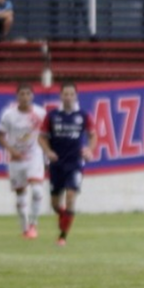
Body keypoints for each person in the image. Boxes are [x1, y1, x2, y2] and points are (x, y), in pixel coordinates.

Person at [38, 82, 96, 246]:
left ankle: (62, 236)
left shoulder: (83, 115)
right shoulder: (52, 116)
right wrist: (48, 151)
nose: (68, 97)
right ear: (60, 96)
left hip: (75, 162)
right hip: (57, 163)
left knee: (71, 197)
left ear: (76, 96)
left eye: (71, 94)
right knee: (55, 204)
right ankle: (64, 216)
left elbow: (93, 135)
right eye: (66, 94)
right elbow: (41, 137)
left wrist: (89, 150)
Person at [0, 83, 48, 239]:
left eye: (28, 94)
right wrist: (12, 151)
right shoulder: (9, 115)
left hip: (34, 156)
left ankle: (34, 223)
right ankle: (25, 227)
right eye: (22, 94)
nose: (25, 97)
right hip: (15, 158)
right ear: (17, 96)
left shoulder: (40, 113)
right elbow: (0, 135)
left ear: (32, 96)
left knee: (38, 190)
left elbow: (45, 134)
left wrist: (46, 152)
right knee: (20, 194)